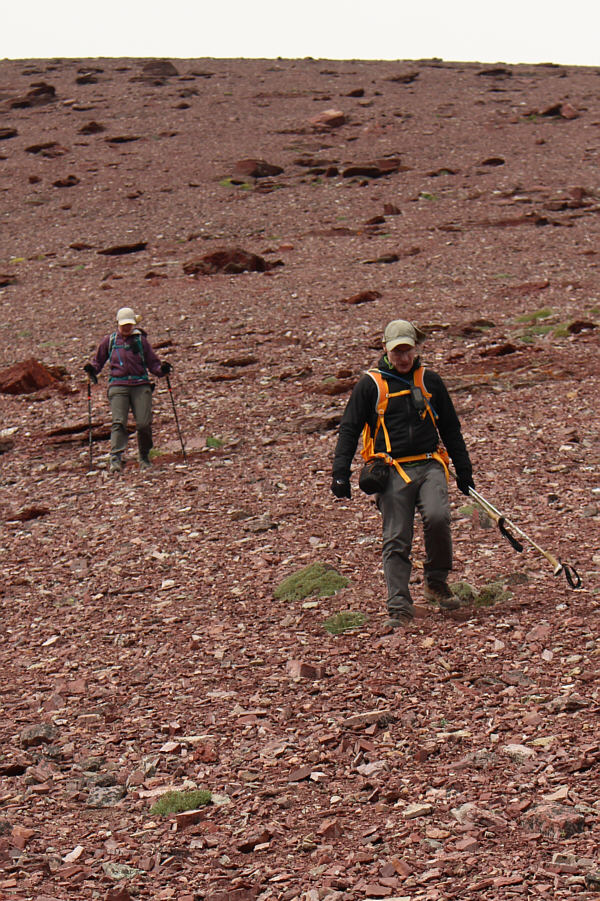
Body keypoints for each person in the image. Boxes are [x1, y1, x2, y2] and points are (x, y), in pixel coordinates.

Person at [331, 319, 474, 628]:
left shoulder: (430, 381)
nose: (404, 358)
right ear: (386, 349)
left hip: (429, 463)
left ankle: (435, 580)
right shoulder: (370, 385)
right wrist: (339, 472)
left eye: (408, 350)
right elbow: (349, 429)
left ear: (415, 348)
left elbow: (450, 428)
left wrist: (463, 469)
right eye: (398, 352)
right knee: (396, 538)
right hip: (391, 470)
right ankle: (399, 607)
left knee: (438, 518)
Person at [84, 307, 172, 472]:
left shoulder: (141, 341)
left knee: (143, 423)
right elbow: (99, 361)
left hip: (140, 384)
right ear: (118, 323)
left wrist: (162, 370)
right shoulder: (109, 341)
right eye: (124, 325)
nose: (126, 328)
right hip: (118, 385)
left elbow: (153, 363)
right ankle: (115, 459)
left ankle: (144, 456)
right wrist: (92, 370)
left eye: (129, 325)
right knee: (118, 422)